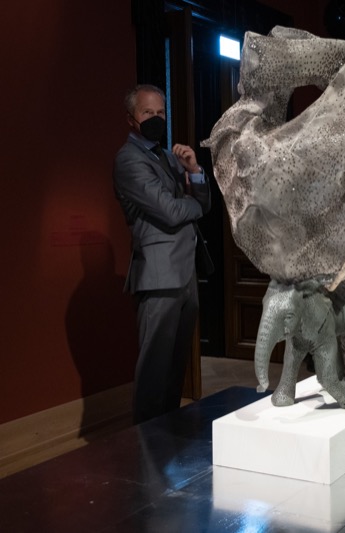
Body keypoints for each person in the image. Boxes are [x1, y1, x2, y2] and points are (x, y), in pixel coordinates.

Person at [113, 84, 212, 423]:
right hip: (158, 276)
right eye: (147, 113)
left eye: (160, 113)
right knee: (154, 373)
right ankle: (144, 442)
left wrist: (194, 171)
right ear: (131, 119)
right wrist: (193, 206)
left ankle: (168, 438)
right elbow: (170, 212)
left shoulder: (169, 157)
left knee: (174, 372)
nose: (156, 119)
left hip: (185, 273)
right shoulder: (128, 160)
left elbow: (202, 202)